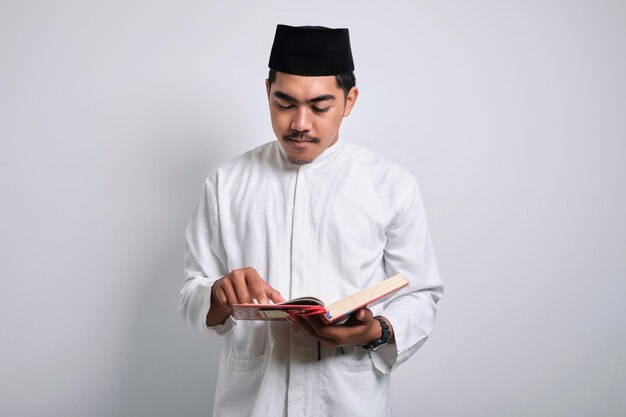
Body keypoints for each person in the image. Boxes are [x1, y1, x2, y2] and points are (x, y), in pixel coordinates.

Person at [179, 24, 444, 417]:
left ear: (349, 100)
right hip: (251, 404)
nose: (300, 123)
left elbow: (421, 294)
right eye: (284, 104)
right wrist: (218, 293)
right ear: (267, 92)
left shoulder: (391, 185)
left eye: (320, 107)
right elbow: (190, 294)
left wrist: (377, 330)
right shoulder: (226, 183)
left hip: (349, 402)